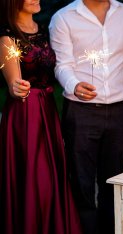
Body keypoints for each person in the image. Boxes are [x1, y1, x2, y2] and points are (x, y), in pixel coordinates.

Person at [49, 0, 123, 233]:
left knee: (113, 183)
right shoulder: (64, 18)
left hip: (120, 111)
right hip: (80, 113)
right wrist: (73, 85)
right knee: (81, 184)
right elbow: (62, 65)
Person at [0, 0, 82, 233]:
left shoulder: (42, 30)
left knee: (52, 174)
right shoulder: (6, 36)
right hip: (26, 115)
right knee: (36, 177)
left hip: (47, 110)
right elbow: (13, 81)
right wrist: (17, 87)